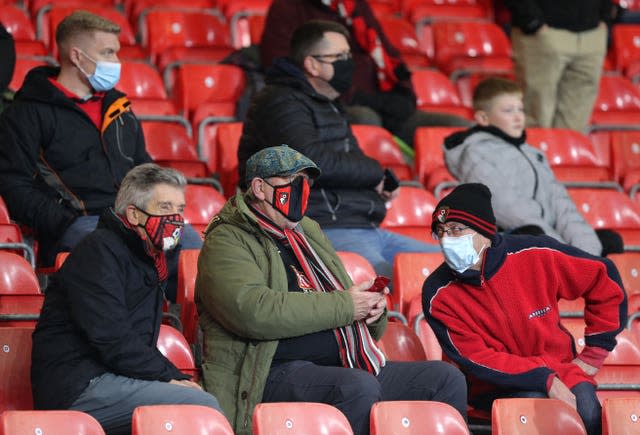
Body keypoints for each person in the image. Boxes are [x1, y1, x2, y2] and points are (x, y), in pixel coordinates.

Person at [196, 145, 467, 435]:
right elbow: (253, 312)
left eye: (306, 183)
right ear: (260, 188)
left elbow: (343, 300)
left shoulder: (306, 230)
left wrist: (370, 311)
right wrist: (348, 306)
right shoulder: (227, 239)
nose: (301, 190)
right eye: (292, 182)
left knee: (444, 378)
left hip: (344, 361)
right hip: (266, 370)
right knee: (356, 387)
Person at [0, 11, 201, 298]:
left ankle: (180, 332)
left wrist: (159, 209)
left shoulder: (119, 108)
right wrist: (63, 221)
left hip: (134, 219)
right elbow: (14, 184)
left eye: (116, 53)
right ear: (77, 56)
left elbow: (142, 168)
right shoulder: (26, 113)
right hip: (79, 224)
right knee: (120, 253)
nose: (116, 62)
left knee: (192, 247)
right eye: (107, 52)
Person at [31, 163, 223, 435]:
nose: (176, 219)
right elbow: (112, 337)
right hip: (77, 385)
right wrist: (169, 376)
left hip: (111, 376)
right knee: (201, 406)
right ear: (133, 214)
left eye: (180, 210)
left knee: (196, 398)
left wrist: (171, 377)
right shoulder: (98, 252)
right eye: (165, 208)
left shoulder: (148, 257)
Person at [239, 20, 440, 279]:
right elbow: (309, 162)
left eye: (348, 55)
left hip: (363, 225)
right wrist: (375, 173)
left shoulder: (328, 102)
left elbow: (348, 160)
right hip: (320, 227)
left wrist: (377, 183)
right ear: (311, 64)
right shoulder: (281, 101)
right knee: (398, 279)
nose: (348, 63)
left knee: (450, 267)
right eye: (339, 56)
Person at [422, 183, 627, 435]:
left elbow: (604, 278)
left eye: (455, 230)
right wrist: (543, 378)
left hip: (562, 370)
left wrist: (594, 354)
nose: (445, 240)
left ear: (484, 231)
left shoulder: (534, 253)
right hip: (495, 384)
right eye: (439, 232)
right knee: (539, 410)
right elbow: (478, 358)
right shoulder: (437, 292)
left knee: (589, 411)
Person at [259, 0, 470, 146]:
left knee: (461, 127)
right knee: (366, 119)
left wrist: (402, 94)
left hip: (381, 105)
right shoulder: (287, 7)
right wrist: (350, 98)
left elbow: (388, 54)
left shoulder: (354, 7)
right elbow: (282, 67)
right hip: (330, 108)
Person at [443, 77, 608, 256]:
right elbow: (508, 208)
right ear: (483, 118)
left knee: (607, 243)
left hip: (550, 239)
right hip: (512, 240)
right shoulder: (475, 153)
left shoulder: (533, 153)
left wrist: (587, 250)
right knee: (534, 234)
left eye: (520, 109)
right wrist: (563, 249)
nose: (518, 117)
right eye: (508, 111)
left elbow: (561, 204)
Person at [505, 0, 612, 132]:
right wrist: (532, 21)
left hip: (592, 34)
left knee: (575, 128)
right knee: (536, 121)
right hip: (542, 34)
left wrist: (605, 18)